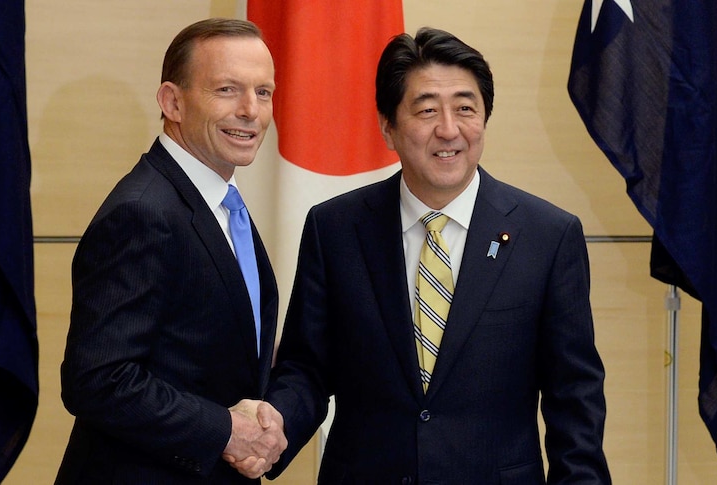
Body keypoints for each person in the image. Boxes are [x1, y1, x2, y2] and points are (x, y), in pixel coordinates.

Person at [253, 27, 611, 483]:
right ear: (388, 127)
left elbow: (574, 398)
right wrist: (273, 428)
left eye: (466, 108)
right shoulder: (335, 228)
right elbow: (306, 368)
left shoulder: (548, 236)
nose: (449, 129)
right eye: (426, 110)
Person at [56, 18, 286, 484]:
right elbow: (98, 380)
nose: (251, 110)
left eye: (263, 92)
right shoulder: (145, 211)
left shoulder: (219, 202)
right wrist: (225, 431)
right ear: (172, 102)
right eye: (227, 89)